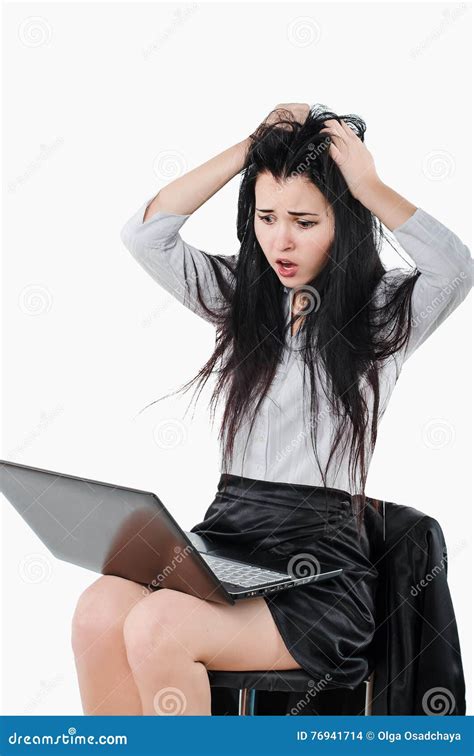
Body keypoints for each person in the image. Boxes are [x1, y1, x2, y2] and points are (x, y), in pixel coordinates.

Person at [71, 104, 473, 716]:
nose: (280, 240)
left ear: (346, 222)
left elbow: (456, 267)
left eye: (305, 221)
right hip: (227, 547)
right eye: (265, 217)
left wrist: (367, 184)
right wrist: (248, 148)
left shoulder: (386, 313)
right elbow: (144, 235)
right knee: (99, 612)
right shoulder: (241, 298)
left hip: (322, 578)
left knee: (158, 627)